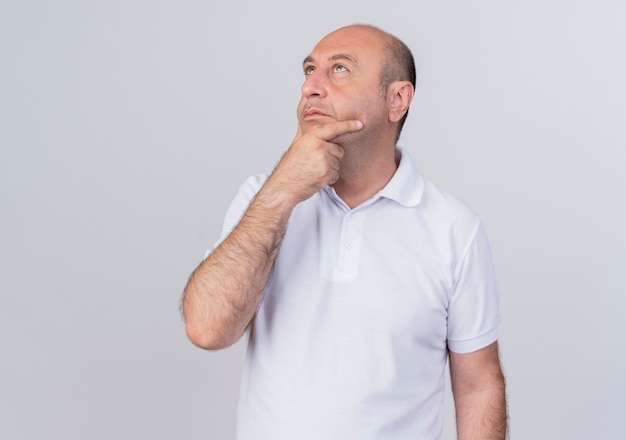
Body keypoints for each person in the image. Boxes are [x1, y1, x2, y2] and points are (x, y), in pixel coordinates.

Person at [182, 24, 507, 439]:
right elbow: (207, 329)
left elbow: (479, 386)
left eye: (338, 70)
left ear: (397, 100)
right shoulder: (261, 200)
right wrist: (282, 191)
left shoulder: (453, 228)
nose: (310, 88)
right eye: (308, 70)